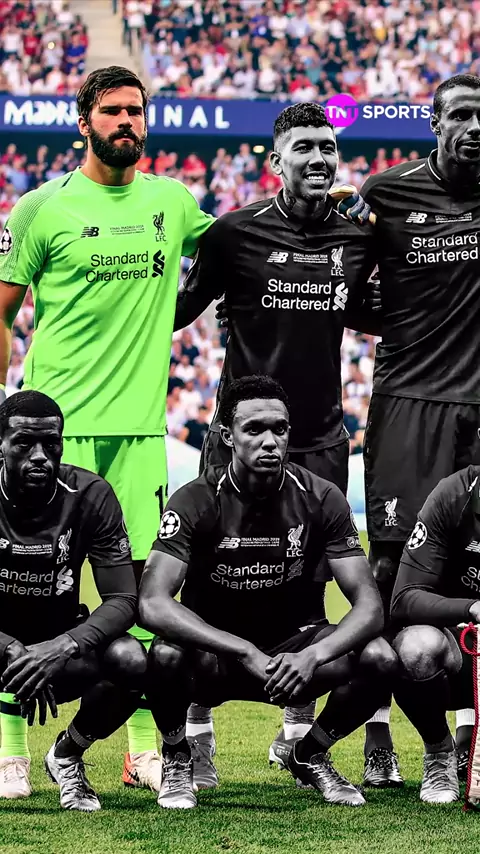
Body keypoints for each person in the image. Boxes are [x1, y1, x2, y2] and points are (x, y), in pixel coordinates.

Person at [0, 65, 214, 794]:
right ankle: (12, 750)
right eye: (113, 110)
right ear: (84, 120)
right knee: (22, 590)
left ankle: (143, 749)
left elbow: (239, 246)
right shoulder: (41, 207)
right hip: (52, 434)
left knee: (149, 598)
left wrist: (334, 211)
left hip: (140, 433)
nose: (127, 121)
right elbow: (2, 311)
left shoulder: (172, 202)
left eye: (136, 111)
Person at [172, 103, 380, 787]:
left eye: (327, 147)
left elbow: (383, 310)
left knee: (310, 586)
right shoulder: (234, 234)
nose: (318, 158)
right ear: (275, 161)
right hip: (236, 438)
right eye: (303, 147)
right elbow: (176, 311)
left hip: (320, 438)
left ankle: (297, 738)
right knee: (206, 581)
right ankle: (196, 737)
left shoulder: (357, 238)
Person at [138, 376, 396, 809]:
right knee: (164, 655)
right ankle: (178, 756)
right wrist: (242, 650)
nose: (270, 441)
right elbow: (152, 603)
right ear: (227, 436)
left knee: (380, 657)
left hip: (296, 655)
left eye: (280, 429)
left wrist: (313, 655)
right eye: (254, 429)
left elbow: (370, 607)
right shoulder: (195, 499)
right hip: (217, 658)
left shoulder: (321, 497)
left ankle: (309, 753)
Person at [359, 73, 480, 780]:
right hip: (410, 400)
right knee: (388, 567)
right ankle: (376, 728)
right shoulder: (386, 194)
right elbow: (339, 291)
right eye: (461, 114)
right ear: (435, 123)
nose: (475, 128)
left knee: (468, 561)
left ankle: (465, 737)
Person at [0, 390, 145, 810]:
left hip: (60, 652)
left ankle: (67, 755)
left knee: (131, 659)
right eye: (24, 443)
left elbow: (123, 598)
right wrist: (11, 648)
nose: (40, 456)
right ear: (0, 444)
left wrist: (62, 646)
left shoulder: (90, 495)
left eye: (51, 443)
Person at [389, 461, 480, 803]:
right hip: (460, 651)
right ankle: (440, 753)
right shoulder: (453, 494)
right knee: (416, 647)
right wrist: (472, 608)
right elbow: (405, 598)